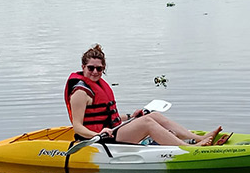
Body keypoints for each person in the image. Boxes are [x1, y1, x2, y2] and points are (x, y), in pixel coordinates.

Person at [65, 44, 225, 146]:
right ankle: (189, 149)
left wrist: (130, 116)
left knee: (153, 115)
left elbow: (106, 116)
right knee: (147, 122)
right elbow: (78, 126)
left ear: (103, 68)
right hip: (97, 139)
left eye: (99, 69)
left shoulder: (98, 86)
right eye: (90, 68)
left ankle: (196, 138)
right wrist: (98, 134)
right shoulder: (80, 92)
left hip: (111, 131)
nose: (94, 72)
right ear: (83, 67)